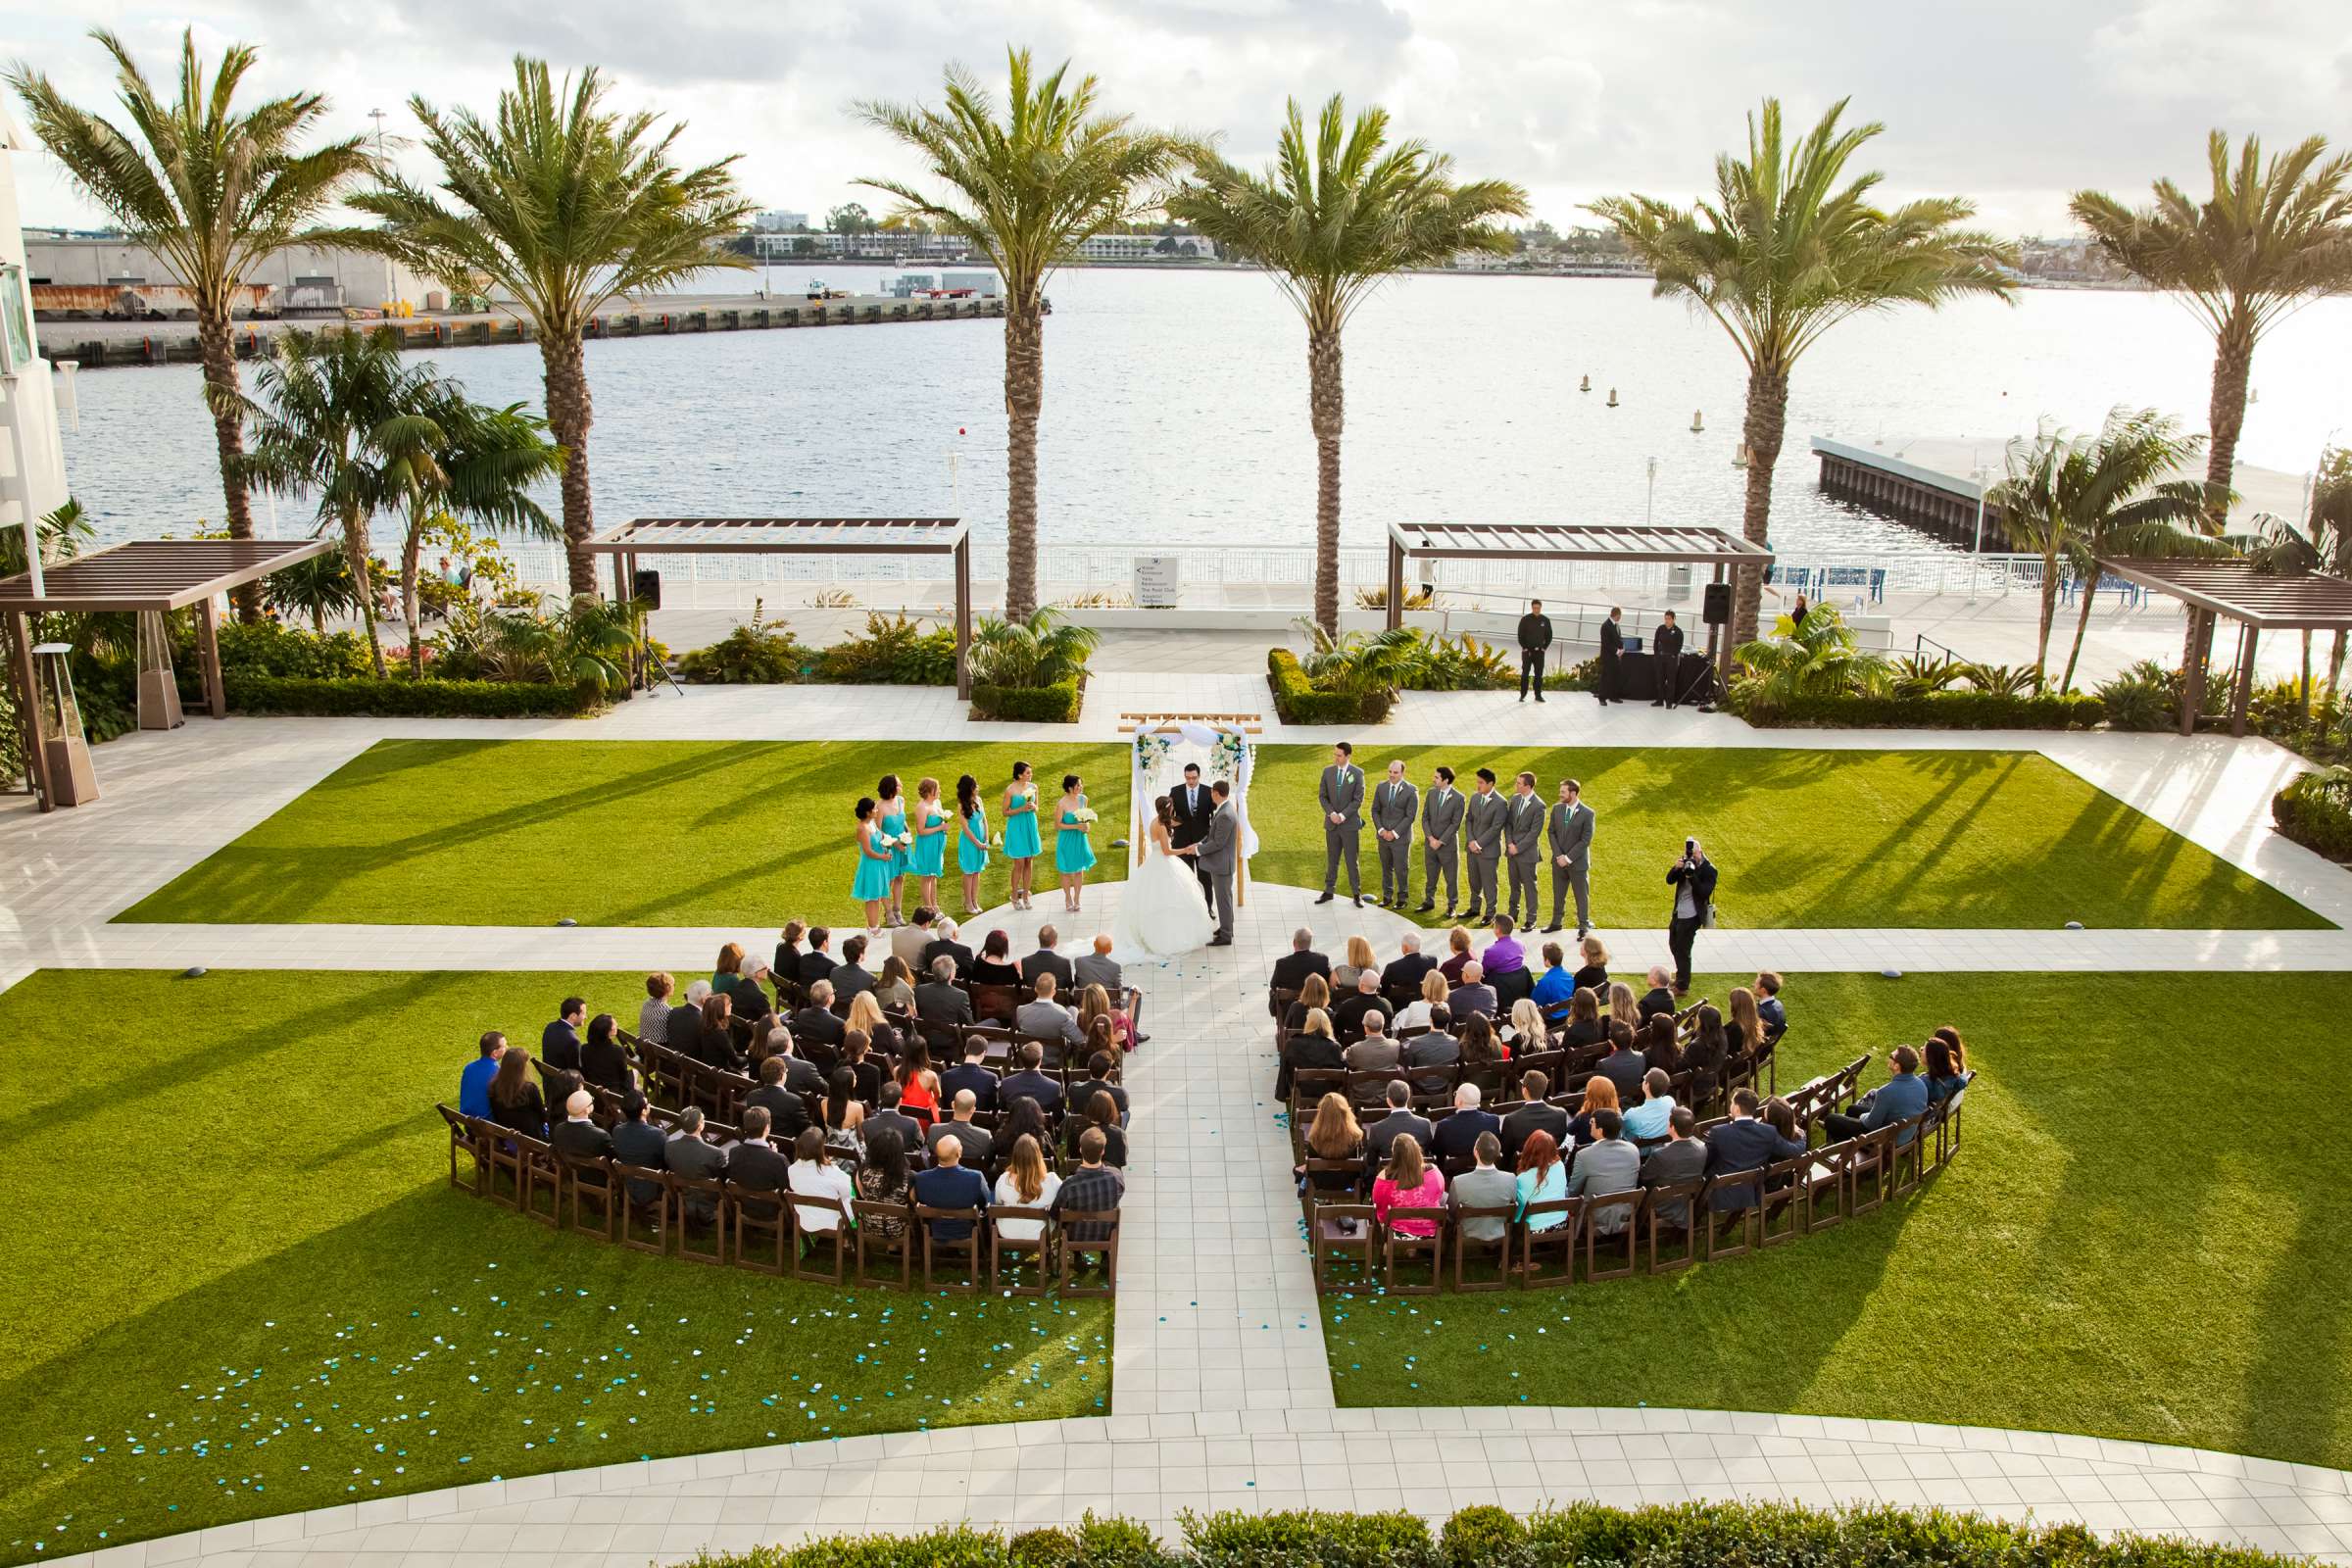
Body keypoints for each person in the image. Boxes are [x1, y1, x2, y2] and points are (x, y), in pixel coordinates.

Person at [1112, 795, 1217, 956]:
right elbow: (1167, 851)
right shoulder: (1160, 826)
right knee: (1169, 898)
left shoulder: (1157, 821)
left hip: (1157, 862)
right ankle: (1169, 938)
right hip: (1163, 862)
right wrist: (1186, 849)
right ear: (1168, 808)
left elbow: (1173, 824)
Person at [1704, 1088, 1806, 1211]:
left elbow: (1705, 1162)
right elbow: (1796, 1150)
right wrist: (1801, 1134)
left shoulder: (1718, 1132)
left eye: (1732, 1102)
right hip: (1749, 1194)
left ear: (1736, 1108)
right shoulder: (1769, 1132)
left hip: (1717, 1195)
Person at [1824, 1046, 1932, 1144]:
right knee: (1852, 1109)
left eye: (1891, 1056)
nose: (1888, 1058)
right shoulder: (1921, 1085)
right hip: (1902, 1134)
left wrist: (1862, 1116)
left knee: (1831, 1119)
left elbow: (1871, 1124)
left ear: (1897, 1066)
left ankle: (1850, 1150)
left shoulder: (1886, 1091)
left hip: (1885, 1141)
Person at [1312, 740, 1366, 907]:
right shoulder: (1327, 772)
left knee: (1351, 861)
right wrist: (1331, 813)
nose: (1335, 757)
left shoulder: (1357, 774)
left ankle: (1357, 894)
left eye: (1339, 755)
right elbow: (1322, 796)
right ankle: (1329, 891)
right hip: (1332, 825)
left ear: (1348, 756)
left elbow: (1358, 800)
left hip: (1349, 826)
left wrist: (1342, 815)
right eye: (1335, 754)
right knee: (1332, 859)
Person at [1567, 1108, 1640, 1231]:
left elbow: (1573, 1191)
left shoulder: (1584, 1155)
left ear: (1600, 1130)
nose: (1590, 1124)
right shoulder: (1633, 1150)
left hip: (1593, 1215)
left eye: (1592, 1122)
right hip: (1625, 1212)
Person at [1053, 1127, 1125, 1250]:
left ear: (1080, 1150)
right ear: (1102, 1151)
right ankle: (1104, 1255)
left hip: (1075, 1235)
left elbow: (1055, 1213)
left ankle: (1077, 1254)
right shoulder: (1116, 1178)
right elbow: (1118, 1195)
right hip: (1105, 1234)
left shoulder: (1069, 1185)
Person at [911, 1134, 989, 1244]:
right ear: (959, 1153)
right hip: (967, 1230)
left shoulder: (921, 1178)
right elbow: (985, 1203)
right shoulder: (975, 1177)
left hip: (935, 1230)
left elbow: (918, 1202)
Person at [1640, 1106, 1708, 1229]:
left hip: (1660, 1204)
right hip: (1685, 1200)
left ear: (1672, 1127)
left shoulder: (1660, 1155)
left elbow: (1643, 1178)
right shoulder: (1702, 1149)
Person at [1190, 780, 1241, 946]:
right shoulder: (1225, 810)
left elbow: (1218, 843)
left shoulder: (1226, 814)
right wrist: (1199, 844)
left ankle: (1226, 935)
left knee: (1223, 900)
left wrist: (1198, 851)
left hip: (1222, 866)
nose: (1211, 795)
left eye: (1212, 792)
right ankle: (1227, 929)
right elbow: (1212, 835)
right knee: (1225, 899)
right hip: (1222, 864)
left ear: (1217, 793)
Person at [1665, 837, 1717, 995]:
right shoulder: (1685, 861)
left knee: (1683, 950)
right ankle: (1681, 976)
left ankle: (1682, 986)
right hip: (1678, 912)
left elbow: (1703, 892)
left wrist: (1691, 875)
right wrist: (1676, 868)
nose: (1691, 857)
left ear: (1700, 852)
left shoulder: (1710, 870)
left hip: (1692, 916)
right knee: (1673, 944)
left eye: (1693, 854)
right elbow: (1669, 880)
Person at [1545, 778, 1596, 937]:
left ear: (1573, 793)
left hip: (1577, 863)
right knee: (1558, 893)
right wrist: (1559, 855)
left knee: (1581, 895)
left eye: (1563, 792)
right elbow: (1551, 832)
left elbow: (1585, 840)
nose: (1560, 795)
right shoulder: (1557, 809)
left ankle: (1583, 925)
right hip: (1558, 861)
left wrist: (1567, 858)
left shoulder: (1588, 813)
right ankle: (1556, 922)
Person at [993, 1134, 1062, 1242]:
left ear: (1015, 1157)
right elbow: (1059, 1205)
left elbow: (998, 1203)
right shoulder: (1052, 1181)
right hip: (1039, 1232)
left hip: (1008, 1231)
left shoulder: (1003, 1180)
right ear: (1038, 1155)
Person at [1373, 1134, 1445, 1238]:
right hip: (1430, 1229)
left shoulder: (1384, 1177)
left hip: (1397, 1231)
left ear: (1394, 1154)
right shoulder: (1433, 1171)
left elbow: (1379, 1205)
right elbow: (1439, 1193)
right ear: (1417, 1150)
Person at [787, 1126, 857, 1233]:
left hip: (806, 1221)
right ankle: (849, 1238)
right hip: (834, 1223)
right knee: (851, 1194)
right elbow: (847, 1191)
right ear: (821, 1149)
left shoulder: (792, 1170)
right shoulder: (832, 1171)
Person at [1452, 1132, 1518, 1244]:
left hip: (1468, 1230)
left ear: (1476, 1152)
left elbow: (1452, 1212)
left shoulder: (1458, 1181)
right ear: (1498, 1154)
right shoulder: (1511, 1179)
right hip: (1499, 1230)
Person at [1417, 765, 1465, 915]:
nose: (1434, 779)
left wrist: (1440, 841)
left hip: (1447, 846)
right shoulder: (1431, 793)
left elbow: (1455, 824)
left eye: (1437, 777)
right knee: (1430, 875)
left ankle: (1452, 906)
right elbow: (1425, 817)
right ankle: (1428, 901)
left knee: (1451, 878)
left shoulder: (1458, 798)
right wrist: (1431, 838)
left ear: (1445, 780)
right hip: (1430, 844)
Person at [1371, 760, 1419, 907]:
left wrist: (1394, 833)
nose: (1392, 775)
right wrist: (1381, 830)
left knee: (1401, 869)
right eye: (1390, 772)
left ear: (1402, 773)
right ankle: (1387, 897)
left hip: (1400, 839)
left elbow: (1410, 816)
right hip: (1383, 837)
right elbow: (1375, 810)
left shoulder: (1411, 791)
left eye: (1395, 773)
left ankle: (1402, 899)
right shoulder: (1381, 787)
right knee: (1386, 868)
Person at [1297, 1093, 1366, 1193]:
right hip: (1348, 1182)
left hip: (1320, 1183)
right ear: (1346, 1112)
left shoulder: (1314, 1138)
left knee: (1298, 1170)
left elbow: (1311, 1170)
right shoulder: (1355, 1137)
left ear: (1321, 1114)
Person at [1461, 768, 1506, 923]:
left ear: (1490, 784)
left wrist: (1479, 843)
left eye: (1481, 782)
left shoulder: (1501, 803)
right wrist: (1471, 841)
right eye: (1477, 782)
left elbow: (1496, 827)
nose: (1477, 785)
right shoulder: (1474, 798)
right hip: (1472, 848)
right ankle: (1474, 909)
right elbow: (1468, 820)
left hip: (1488, 851)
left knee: (1489, 883)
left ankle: (1490, 913)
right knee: (1474, 880)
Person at [1168, 761, 1215, 903]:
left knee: (1205, 878)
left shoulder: (1209, 791)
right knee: (1185, 879)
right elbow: (1168, 815)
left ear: (1199, 776)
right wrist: (1173, 822)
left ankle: (1208, 908)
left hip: (1202, 843)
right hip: (1181, 842)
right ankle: (1187, 908)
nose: (1191, 781)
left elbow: (1215, 815)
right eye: (1188, 778)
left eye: (1194, 778)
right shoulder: (1175, 791)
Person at [1501, 772, 1544, 926]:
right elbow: (1508, 824)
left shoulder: (1539, 805)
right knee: (1514, 885)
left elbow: (1534, 833)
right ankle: (1512, 915)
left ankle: (1531, 918)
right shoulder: (1515, 799)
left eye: (1519, 783)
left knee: (1529, 887)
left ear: (1528, 786)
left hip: (1526, 854)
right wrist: (1509, 844)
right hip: (1512, 850)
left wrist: (1517, 848)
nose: (1516, 785)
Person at [854, 1125, 911, 1240]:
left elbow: (862, 1195)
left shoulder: (863, 1170)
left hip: (870, 1225)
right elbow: (913, 1201)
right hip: (899, 1229)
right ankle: (892, 1247)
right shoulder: (908, 1176)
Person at [1499, 1068, 1567, 1162]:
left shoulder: (1511, 1120)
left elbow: (1505, 1152)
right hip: (1549, 1163)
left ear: (1524, 1090)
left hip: (1521, 1168)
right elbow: (1559, 1142)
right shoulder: (1561, 1114)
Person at [1363, 1080, 1435, 1169]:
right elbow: (1428, 1154)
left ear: (1388, 1101)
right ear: (1408, 1098)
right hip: (1418, 1177)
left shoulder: (1376, 1129)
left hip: (1390, 1177)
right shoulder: (1425, 1124)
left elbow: (1371, 1161)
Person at [851, 795, 896, 932]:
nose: (877, 810)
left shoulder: (872, 823)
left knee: (878, 895)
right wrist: (883, 856)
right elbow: (867, 851)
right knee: (872, 897)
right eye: (874, 808)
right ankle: (873, 927)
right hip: (871, 866)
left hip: (879, 864)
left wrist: (890, 842)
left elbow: (881, 835)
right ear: (868, 812)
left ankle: (874, 925)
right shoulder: (862, 828)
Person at [1002, 761, 1042, 912]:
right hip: (1017, 827)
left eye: (1030, 773)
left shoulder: (1034, 787)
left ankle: (1025, 896)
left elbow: (1037, 807)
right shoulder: (1010, 790)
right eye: (1027, 773)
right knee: (1019, 862)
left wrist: (1034, 807)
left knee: (1029, 861)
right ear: (1019, 775)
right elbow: (1005, 812)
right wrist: (1021, 808)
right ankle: (1014, 895)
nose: (1030, 775)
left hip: (1030, 825)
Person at [611, 1093, 667, 1200]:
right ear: (644, 1111)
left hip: (628, 1185)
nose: (649, 1105)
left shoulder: (617, 1131)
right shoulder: (658, 1134)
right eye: (647, 1104)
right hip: (654, 1188)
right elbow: (666, 1161)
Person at [1054, 773, 1097, 913]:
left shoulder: (1084, 799)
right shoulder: (1062, 803)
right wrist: (1075, 827)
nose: (1081, 787)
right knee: (1066, 871)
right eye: (1078, 785)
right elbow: (1058, 825)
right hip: (1066, 840)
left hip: (1080, 839)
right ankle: (1068, 898)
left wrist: (1086, 826)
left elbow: (1085, 819)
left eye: (1081, 784)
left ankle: (1077, 898)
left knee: (1079, 870)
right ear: (1070, 787)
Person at [1513, 1130, 1570, 1235]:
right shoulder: (1560, 1166)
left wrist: (1513, 1222)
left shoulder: (1523, 1178)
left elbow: (1519, 1212)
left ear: (1529, 1150)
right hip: (1561, 1223)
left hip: (1533, 1228)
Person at [1431, 1079, 1499, 1166]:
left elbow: (1437, 1153)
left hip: (1453, 1173)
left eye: (1456, 1094)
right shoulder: (1493, 1121)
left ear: (1459, 1101)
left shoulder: (1444, 1126)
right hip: (1484, 1167)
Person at [907, 776, 950, 918]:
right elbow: (920, 830)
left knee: (933, 875)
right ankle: (928, 907)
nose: (940, 791)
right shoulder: (922, 807)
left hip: (937, 844)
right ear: (931, 790)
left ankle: (934, 904)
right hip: (927, 845)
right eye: (938, 789)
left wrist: (943, 828)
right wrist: (940, 828)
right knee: (926, 876)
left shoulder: (936, 803)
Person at [745, 1053, 812, 1141]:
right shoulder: (794, 1101)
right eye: (785, 1071)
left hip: (764, 1140)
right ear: (782, 1076)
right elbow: (805, 1128)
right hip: (788, 1147)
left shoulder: (752, 1096)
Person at [1016, 971, 1085, 1056]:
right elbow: (1079, 1039)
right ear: (1054, 991)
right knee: (1073, 1010)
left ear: (1035, 989)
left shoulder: (1020, 1011)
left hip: (1029, 1057)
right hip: (1054, 1059)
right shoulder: (1062, 1014)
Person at [875, 773, 911, 927]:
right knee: (887, 880)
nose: (901, 785)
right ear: (891, 788)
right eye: (898, 784)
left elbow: (903, 821)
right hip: (888, 847)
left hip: (902, 845)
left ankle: (897, 910)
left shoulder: (901, 800)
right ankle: (888, 912)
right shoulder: (880, 806)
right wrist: (894, 843)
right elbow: (877, 830)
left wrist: (908, 834)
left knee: (899, 878)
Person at [1268, 927, 1331, 1016]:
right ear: (1310, 943)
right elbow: (1329, 982)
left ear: (1294, 943)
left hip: (1289, 1014)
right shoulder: (1322, 960)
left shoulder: (1282, 964)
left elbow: (1273, 985)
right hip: (1317, 1012)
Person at [486, 1046, 546, 1138]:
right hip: (534, 1141)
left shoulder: (494, 1086)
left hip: (509, 1139)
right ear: (522, 1067)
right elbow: (543, 1117)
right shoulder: (529, 1089)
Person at [927, 1090, 996, 1168]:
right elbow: (989, 1162)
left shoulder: (933, 1130)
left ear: (953, 1105)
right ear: (973, 1110)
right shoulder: (984, 1137)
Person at [1400, 1005, 1459, 1095]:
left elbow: (1409, 1069)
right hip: (1444, 1087)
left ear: (1430, 1020)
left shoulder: (1416, 1043)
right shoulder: (1454, 1042)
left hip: (1419, 1088)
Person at [954, 774, 991, 917]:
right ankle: (968, 902)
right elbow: (965, 828)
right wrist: (977, 843)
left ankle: (975, 900)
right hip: (970, 842)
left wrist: (986, 838)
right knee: (969, 872)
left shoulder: (979, 800)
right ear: (969, 788)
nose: (978, 788)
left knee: (977, 871)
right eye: (975, 786)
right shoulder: (962, 805)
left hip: (981, 839)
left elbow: (984, 820)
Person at [1065, 1089, 1128, 1168]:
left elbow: (1073, 1157)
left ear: (1090, 1108)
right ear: (1111, 1110)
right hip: (1112, 1177)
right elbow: (1122, 1161)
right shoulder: (1119, 1134)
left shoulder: (1076, 1132)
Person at [1000, 1043, 1064, 1116]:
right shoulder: (1054, 1087)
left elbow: (1002, 1111)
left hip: (1013, 1126)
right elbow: (1058, 1117)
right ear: (1040, 1060)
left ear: (1021, 1060)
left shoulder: (1006, 1083)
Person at [551, 1088, 613, 1161]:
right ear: (587, 1110)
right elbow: (613, 1159)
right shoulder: (601, 1136)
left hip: (572, 1170)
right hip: (597, 1172)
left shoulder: (558, 1129)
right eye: (591, 1102)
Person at [579, 1012, 634, 1096]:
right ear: (608, 1032)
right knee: (635, 1073)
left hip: (593, 1091)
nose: (617, 1025)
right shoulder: (617, 1051)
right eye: (614, 1024)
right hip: (613, 1093)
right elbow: (623, 1076)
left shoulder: (584, 1048)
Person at [915, 956, 976, 1030]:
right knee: (993, 1021)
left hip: (927, 1038)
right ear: (951, 974)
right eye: (955, 968)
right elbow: (969, 1025)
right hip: (954, 1040)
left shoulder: (919, 990)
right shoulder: (961, 996)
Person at [864, 1084, 925, 1156]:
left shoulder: (866, 1124)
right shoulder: (912, 1123)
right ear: (900, 1100)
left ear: (880, 1100)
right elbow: (921, 1144)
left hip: (876, 1165)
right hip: (904, 1165)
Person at [1564, 1073, 1620, 1150]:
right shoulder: (1617, 1115)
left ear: (1589, 1095)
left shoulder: (1582, 1117)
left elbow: (1569, 1131)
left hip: (1583, 1154)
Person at [1597, 1022, 1648, 1105]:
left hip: (1610, 1103)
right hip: (1630, 1100)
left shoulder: (1603, 1064)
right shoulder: (1641, 1057)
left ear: (1612, 1042)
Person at [791, 981, 848, 1053]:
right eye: (833, 992)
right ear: (830, 999)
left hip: (805, 1056)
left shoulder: (802, 1014)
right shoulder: (839, 1024)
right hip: (828, 1061)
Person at [845, 990, 902, 1060]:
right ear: (873, 1007)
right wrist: (899, 1040)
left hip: (861, 1067)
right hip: (885, 1068)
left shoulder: (849, 1025)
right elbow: (898, 1051)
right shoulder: (883, 1026)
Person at [897, 1039, 943, 1127]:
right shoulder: (931, 1076)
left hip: (903, 1118)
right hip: (923, 1120)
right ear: (924, 1053)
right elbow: (938, 1096)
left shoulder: (897, 1071)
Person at [1623, 1068, 1676, 1143]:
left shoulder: (1632, 1114)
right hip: (1664, 1145)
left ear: (1647, 1085)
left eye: (1644, 1078)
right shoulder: (1670, 1101)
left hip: (1640, 1150)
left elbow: (1621, 1132)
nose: (1643, 1079)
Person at [460, 1030, 505, 1118]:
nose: (507, 1047)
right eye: (504, 1046)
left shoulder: (469, 1067)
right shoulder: (498, 1073)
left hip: (468, 1123)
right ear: (495, 1053)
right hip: (488, 1126)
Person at [819, 1066, 865, 1152]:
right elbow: (861, 1136)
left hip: (831, 1151)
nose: (856, 1077)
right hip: (851, 1154)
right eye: (854, 1077)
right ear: (848, 1084)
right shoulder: (857, 1107)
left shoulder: (823, 1103)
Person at [1530, 943, 1576, 1024]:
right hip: (1566, 1016)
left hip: (1549, 1020)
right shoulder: (1569, 977)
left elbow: (1534, 1003)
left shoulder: (1545, 982)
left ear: (1547, 960)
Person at [1334, 969, 1386, 1042]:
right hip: (1379, 1046)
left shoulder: (1346, 1006)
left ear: (1361, 985)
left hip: (1352, 1047)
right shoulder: (1386, 1006)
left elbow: (1337, 1031)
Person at [1517, 598, 1553, 701]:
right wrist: (1524, 648)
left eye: (1538, 608)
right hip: (1527, 652)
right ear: (1532, 608)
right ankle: (1522, 695)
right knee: (1525, 674)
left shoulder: (1545, 620)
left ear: (1540, 608)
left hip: (1539, 652)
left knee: (1539, 675)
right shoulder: (1525, 619)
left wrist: (1544, 648)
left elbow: (1549, 636)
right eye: (1534, 608)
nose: (1536, 610)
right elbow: (1520, 635)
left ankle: (1538, 695)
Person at [1079, 1051, 1130, 1124]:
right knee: (1126, 1113)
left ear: (1088, 1066)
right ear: (1108, 1072)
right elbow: (1125, 1107)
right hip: (1110, 1127)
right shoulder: (1120, 1093)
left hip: (1082, 1126)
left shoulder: (1073, 1088)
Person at [832, 935, 878, 1012]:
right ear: (860, 955)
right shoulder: (870, 978)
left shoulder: (834, 972)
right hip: (860, 1018)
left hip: (838, 1015)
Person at [1020, 926, 1075, 991]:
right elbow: (1070, 987)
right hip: (1058, 1000)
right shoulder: (1064, 963)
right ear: (1055, 941)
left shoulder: (1026, 962)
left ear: (1039, 939)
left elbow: (1025, 984)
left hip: (1032, 999)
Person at [1383, 932, 1438, 996]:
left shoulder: (1392, 967)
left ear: (1405, 947)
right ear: (1419, 946)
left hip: (1400, 1004)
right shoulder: (1432, 960)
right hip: (1425, 998)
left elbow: (1384, 990)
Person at [1652, 609, 1687, 710]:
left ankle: (1669, 702)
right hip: (1660, 658)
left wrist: (1673, 655)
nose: (1667, 620)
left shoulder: (1678, 631)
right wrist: (1656, 654)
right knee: (1660, 680)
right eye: (1665, 618)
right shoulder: (1660, 628)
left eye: (1669, 619)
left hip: (1671, 659)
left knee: (1671, 682)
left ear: (1674, 619)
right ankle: (1659, 700)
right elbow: (1655, 642)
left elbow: (1679, 646)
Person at [1395, 968, 1446, 1034]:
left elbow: (1406, 1027)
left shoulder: (1414, 1006)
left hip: (1415, 1040)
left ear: (1425, 986)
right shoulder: (1445, 1007)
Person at [924, 916, 975, 982]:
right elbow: (972, 973)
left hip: (934, 982)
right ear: (954, 933)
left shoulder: (930, 946)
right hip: (958, 988)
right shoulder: (964, 951)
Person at [541, 997, 585, 1073]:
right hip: (565, 1084)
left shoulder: (550, 1027)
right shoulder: (573, 1041)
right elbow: (577, 1072)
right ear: (573, 1016)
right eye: (583, 1013)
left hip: (549, 1082)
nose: (586, 1017)